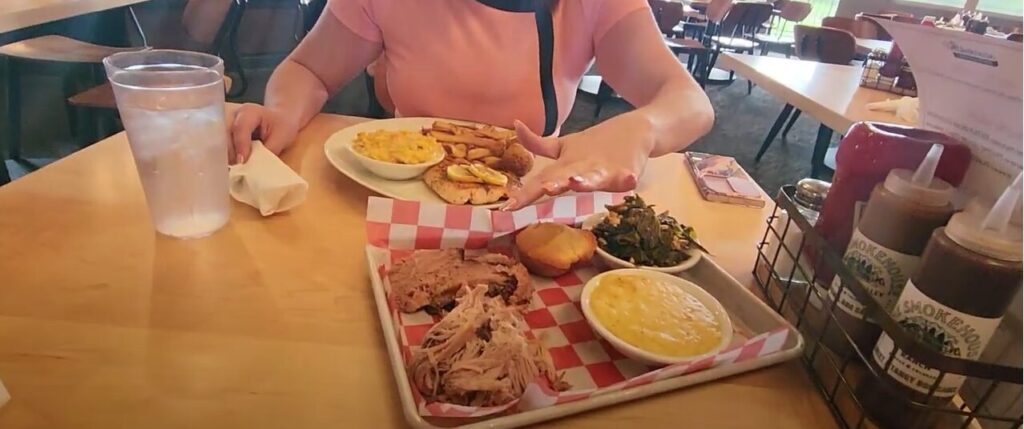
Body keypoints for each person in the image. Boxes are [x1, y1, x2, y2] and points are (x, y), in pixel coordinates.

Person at [230, 0, 714, 209]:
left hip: (526, 208)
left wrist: (643, 127)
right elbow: (309, 70)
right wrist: (282, 113)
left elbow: (688, 102)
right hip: (387, 202)